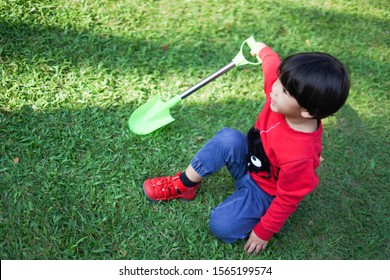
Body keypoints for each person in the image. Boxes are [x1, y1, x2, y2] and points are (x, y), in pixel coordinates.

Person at [143, 41, 350, 255]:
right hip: (250, 162)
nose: (275, 89)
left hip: (264, 192)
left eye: (285, 90)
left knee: (221, 226)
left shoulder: (300, 156)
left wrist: (264, 231)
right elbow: (272, 66)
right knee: (228, 139)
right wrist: (263, 51)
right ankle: (185, 184)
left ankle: (250, 211)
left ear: (307, 111)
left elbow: (288, 198)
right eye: (280, 80)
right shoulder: (278, 94)